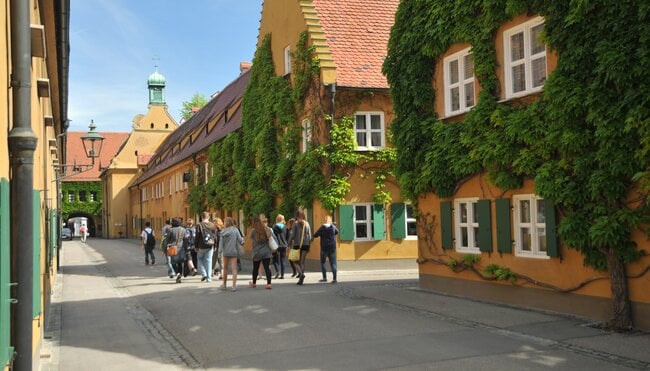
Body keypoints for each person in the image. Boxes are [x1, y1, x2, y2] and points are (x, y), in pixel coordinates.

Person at [248, 214, 274, 289]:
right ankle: (269, 284)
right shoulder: (267, 229)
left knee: (255, 268)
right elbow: (271, 237)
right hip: (266, 252)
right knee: (267, 268)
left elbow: (250, 238)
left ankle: (254, 283)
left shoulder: (253, 231)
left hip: (257, 252)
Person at [219, 217, 244, 291]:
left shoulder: (223, 231)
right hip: (234, 251)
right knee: (234, 269)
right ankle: (234, 286)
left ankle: (224, 285)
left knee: (225, 268)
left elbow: (221, 244)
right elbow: (241, 241)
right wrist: (242, 241)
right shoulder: (235, 230)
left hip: (226, 252)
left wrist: (219, 252)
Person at [287, 210, 311, 285]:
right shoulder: (307, 223)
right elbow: (309, 236)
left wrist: (288, 244)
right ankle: (301, 279)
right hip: (306, 245)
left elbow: (292, 235)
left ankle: (301, 274)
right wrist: (309, 245)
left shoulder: (295, 223)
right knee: (302, 262)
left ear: (297, 216)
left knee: (294, 261)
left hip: (297, 244)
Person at [313, 215, 339, 283]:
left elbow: (315, 235)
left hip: (324, 248)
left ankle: (324, 278)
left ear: (325, 220)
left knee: (323, 262)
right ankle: (334, 279)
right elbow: (337, 232)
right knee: (333, 263)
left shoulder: (322, 227)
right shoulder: (333, 227)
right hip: (332, 247)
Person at [195, 212, 216, 282]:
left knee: (199, 259)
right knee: (209, 261)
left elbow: (197, 237)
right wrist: (215, 245)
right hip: (210, 245)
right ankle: (209, 278)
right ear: (208, 217)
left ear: (202, 217)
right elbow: (215, 237)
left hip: (201, 245)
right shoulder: (212, 225)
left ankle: (204, 274)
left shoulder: (199, 225)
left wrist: (196, 246)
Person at [166, 218, 186, 283]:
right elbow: (185, 238)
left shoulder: (170, 230)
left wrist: (167, 245)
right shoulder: (183, 229)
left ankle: (177, 273)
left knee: (173, 262)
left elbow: (167, 239)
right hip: (181, 248)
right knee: (180, 262)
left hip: (173, 248)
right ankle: (179, 274)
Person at [272, 214, 290, 279]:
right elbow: (288, 237)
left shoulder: (274, 227)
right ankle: (282, 275)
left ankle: (277, 271)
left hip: (276, 245)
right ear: (283, 219)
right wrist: (287, 245)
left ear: (277, 219)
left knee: (274, 259)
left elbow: (272, 237)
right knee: (283, 260)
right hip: (284, 245)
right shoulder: (285, 227)